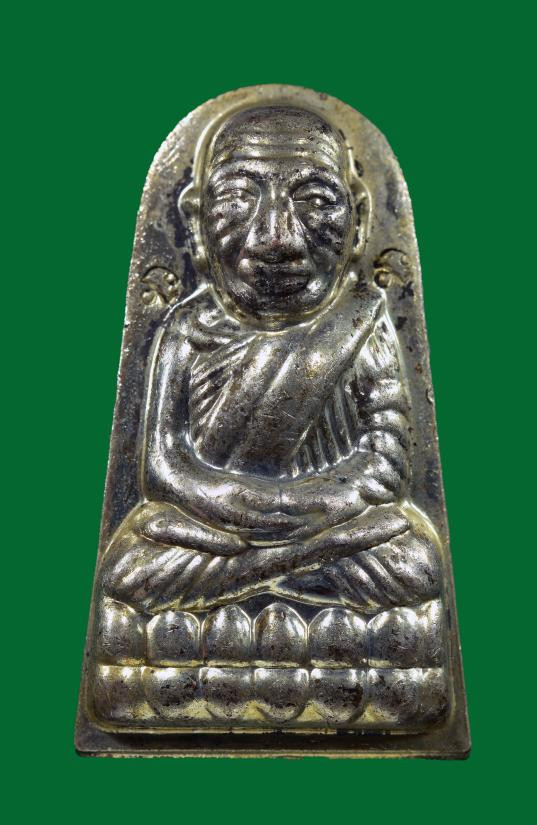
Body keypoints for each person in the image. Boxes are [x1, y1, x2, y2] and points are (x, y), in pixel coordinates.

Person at [100, 106, 442, 628]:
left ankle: (255, 582)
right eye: (239, 198)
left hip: (332, 527)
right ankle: (289, 577)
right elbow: (162, 466)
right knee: (131, 565)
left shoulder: (362, 321)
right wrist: (226, 497)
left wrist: (312, 504)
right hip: (216, 529)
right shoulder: (186, 329)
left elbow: (388, 464)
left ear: (358, 219)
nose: (276, 239)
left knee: (413, 560)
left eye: (314, 202)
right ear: (196, 220)